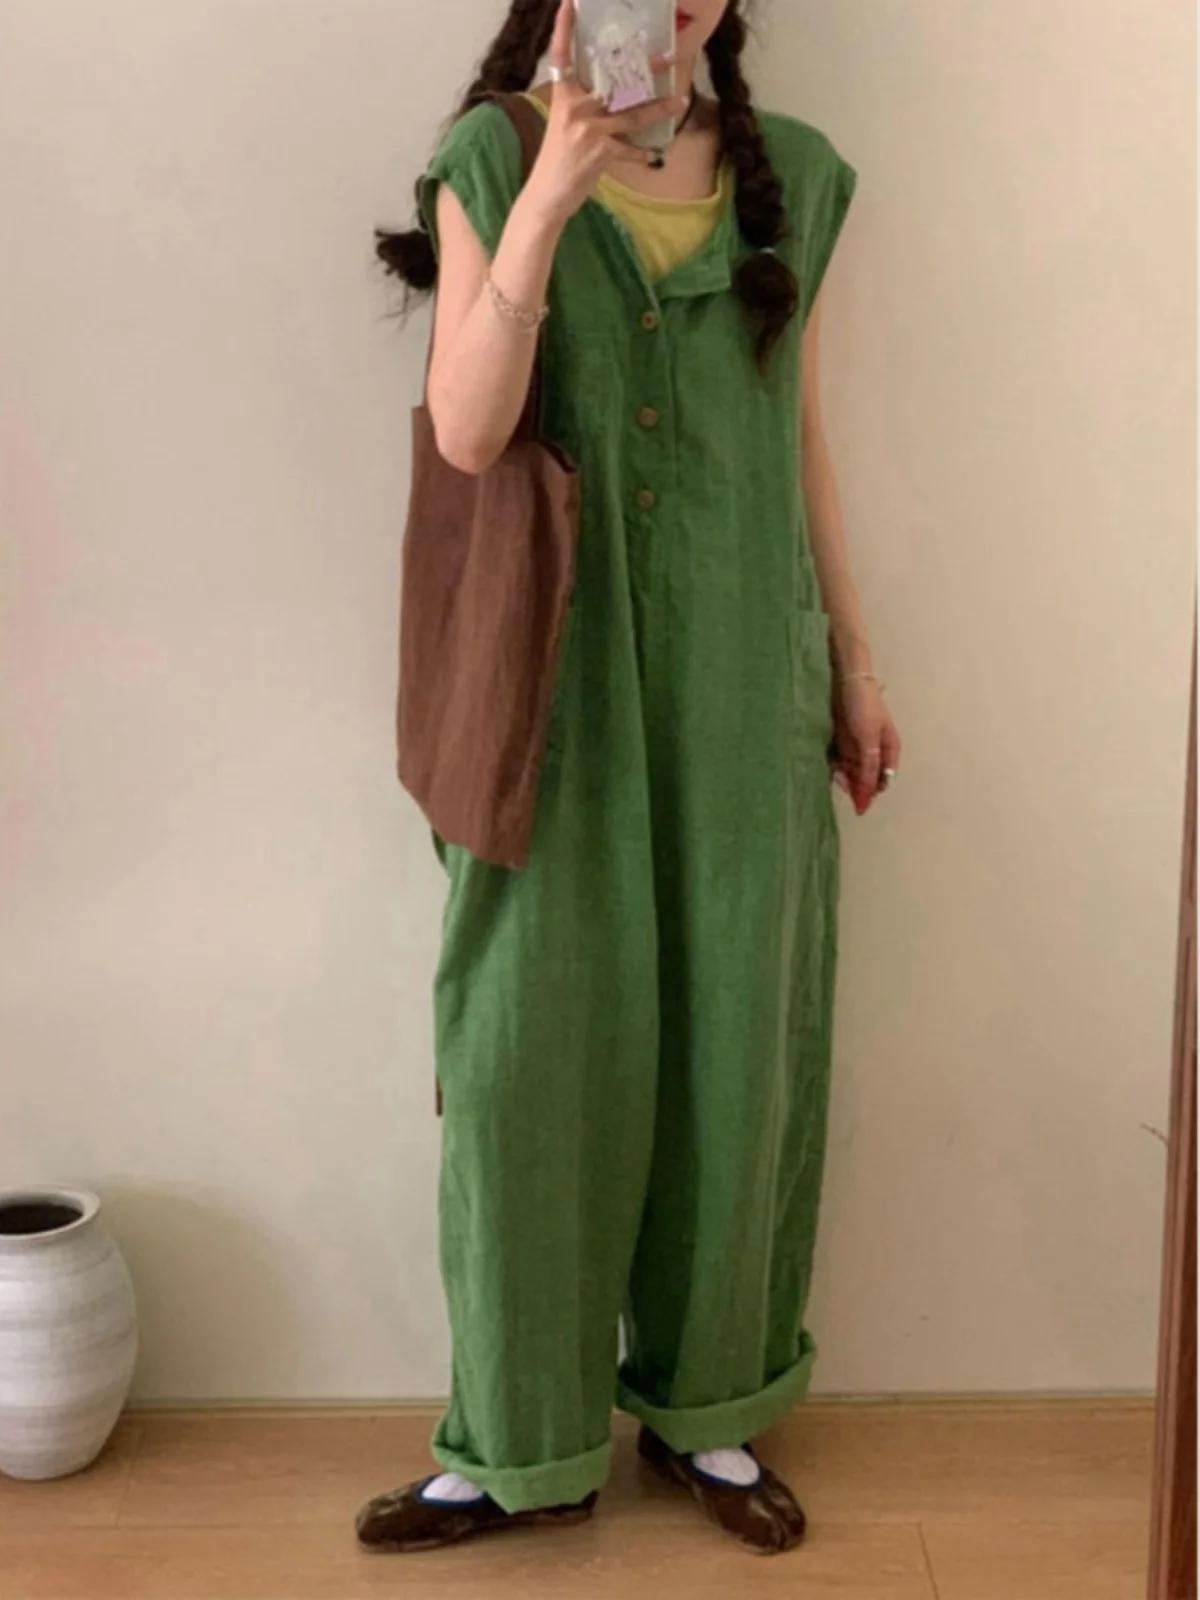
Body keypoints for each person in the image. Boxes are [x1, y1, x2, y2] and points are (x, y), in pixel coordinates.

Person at [358, 0, 902, 1559]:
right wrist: (550, 197)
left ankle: (710, 1406)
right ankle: (519, 1439)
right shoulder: (492, 159)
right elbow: (470, 434)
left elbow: (801, 434)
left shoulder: (800, 175)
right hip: (550, 682)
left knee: (739, 1045)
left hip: (744, 663)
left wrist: (853, 659)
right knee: (526, 1054)